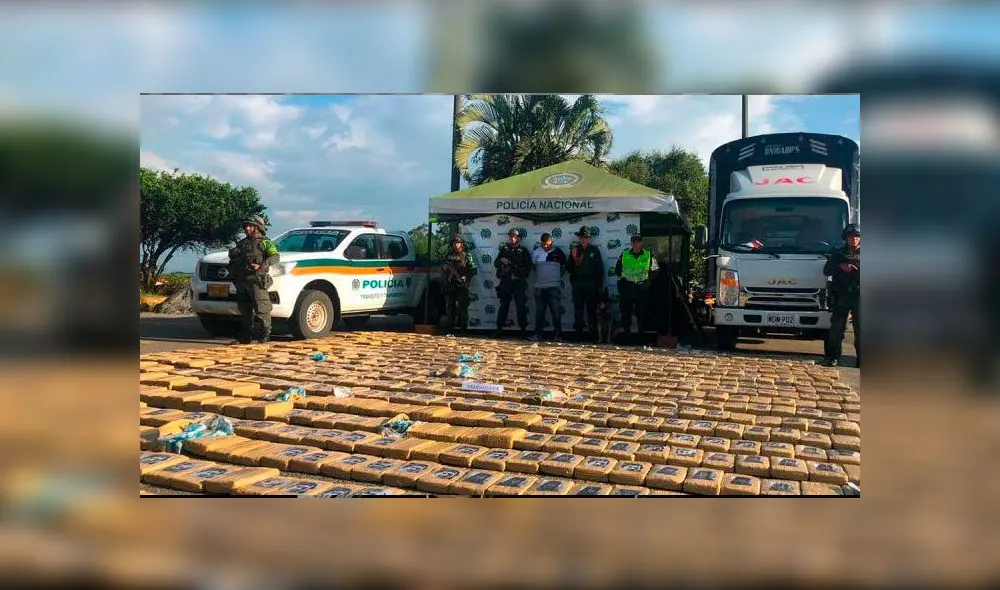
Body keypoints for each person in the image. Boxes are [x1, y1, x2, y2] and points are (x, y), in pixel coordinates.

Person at [228, 214, 280, 344]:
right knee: (244, 310)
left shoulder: (264, 242)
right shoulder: (242, 243)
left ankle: (265, 334)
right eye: (246, 226)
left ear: (257, 227)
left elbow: (275, 256)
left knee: (262, 308)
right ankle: (245, 336)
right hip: (242, 281)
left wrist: (261, 266)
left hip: (256, 280)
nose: (247, 228)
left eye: (250, 226)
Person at [823, 224, 861, 367]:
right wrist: (840, 266)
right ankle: (832, 357)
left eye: (857, 236)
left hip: (859, 295)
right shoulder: (838, 253)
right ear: (845, 238)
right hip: (842, 294)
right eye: (851, 236)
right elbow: (826, 271)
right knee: (837, 328)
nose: (854, 239)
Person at [614, 234, 659, 341]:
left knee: (642, 314)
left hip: (641, 288)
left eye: (637, 242)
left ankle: (641, 337)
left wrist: (648, 281)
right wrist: (623, 277)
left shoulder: (648, 255)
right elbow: (617, 269)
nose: (635, 244)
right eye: (633, 242)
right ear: (631, 243)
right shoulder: (624, 254)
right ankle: (626, 336)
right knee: (626, 314)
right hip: (627, 288)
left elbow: (656, 270)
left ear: (641, 243)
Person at [567, 226, 604, 341]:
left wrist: (599, 286)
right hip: (578, 283)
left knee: (591, 310)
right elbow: (569, 267)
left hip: (590, 283)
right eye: (582, 237)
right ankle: (578, 335)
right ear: (579, 238)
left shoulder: (594, 250)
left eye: (586, 237)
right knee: (578, 310)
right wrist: (574, 281)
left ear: (589, 238)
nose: (584, 239)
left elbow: (600, 269)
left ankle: (592, 336)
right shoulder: (574, 250)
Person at [493, 228, 532, 337]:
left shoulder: (523, 250)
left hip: (519, 282)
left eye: (515, 236)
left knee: (521, 307)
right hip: (506, 282)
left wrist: (519, 275)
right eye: (511, 236)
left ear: (519, 238)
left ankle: (523, 330)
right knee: (503, 306)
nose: (512, 238)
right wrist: (501, 260)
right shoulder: (504, 249)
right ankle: (499, 329)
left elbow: (529, 267)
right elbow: (496, 263)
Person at [530, 233, 567, 341]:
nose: (545, 246)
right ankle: (537, 334)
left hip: (553, 287)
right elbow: (534, 268)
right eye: (543, 244)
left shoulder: (558, 252)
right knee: (540, 311)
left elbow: (564, 267)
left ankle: (558, 335)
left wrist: (556, 277)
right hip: (540, 287)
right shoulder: (536, 252)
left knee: (555, 311)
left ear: (552, 243)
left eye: (547, 244)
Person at [442, 233, 477, 335]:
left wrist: (466, 277)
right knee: (450, 308)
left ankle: (463, 330)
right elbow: (443, 268)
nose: (456, 245)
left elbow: (473, 269)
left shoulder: (467, 255)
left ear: (461, 244)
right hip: (450, 285)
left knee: (463, 308)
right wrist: (446, 269)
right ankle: (450, 330)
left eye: (458, 243)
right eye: (454, 243)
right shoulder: (448, 256)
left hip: (462, 285)